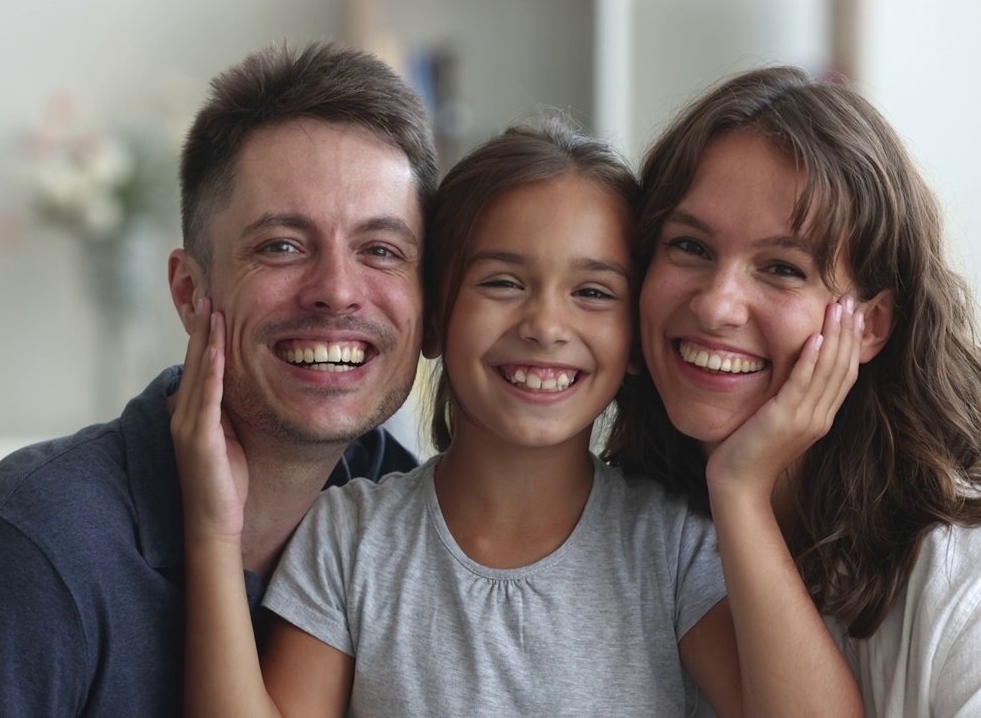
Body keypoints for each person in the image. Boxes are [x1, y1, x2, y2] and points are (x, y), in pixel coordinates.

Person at [176, 120, 863, 717]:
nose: (545, 325)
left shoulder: (671, 548)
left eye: (593, 292)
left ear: (633, 340)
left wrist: (740, 492)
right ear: (435, 318)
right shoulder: (349, 539)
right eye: (503, 282)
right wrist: (212, 533)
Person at [0, 41, 435, 716]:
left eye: (381, 250)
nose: (337, 291)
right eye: (281, 245)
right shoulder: (28, 552)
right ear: (190, 291)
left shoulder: (408, 520)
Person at [604, 65, 981, 715]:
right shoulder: (621, 538)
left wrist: (741, 489)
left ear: (870, 326)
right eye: (689, 246)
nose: (718, 304)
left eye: (782, 268)